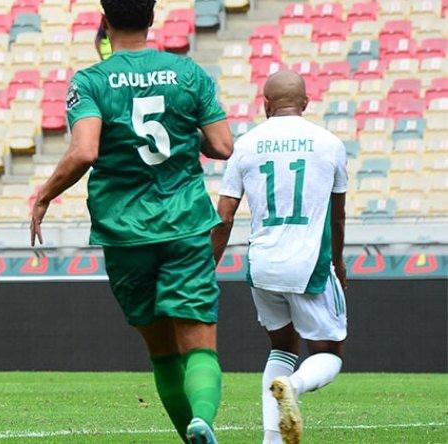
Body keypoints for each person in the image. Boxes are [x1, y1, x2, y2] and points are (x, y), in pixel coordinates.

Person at [30, 1, 234, 442]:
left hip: (125, 231)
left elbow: (85, 150)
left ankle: (190, 435)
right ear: (152, 18)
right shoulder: (188, 73)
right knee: (198, 342)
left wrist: (45, 195)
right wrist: (184, 132)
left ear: (105, 22)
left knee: (161, 351)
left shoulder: (90, 81)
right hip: (184, 223)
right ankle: (203, 418)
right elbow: (222, 146)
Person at [211, 70, 348, 444]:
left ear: (265, 104)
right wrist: (338, 262)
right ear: (306, 103)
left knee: (282, 347)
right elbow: (337, 216)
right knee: (330, 352)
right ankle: (294, 385)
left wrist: (208, 268)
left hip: (262, 266)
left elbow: (224, 217)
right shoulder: (330, 144)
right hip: (309, 265)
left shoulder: (246, 145)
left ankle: (272, 440)